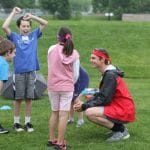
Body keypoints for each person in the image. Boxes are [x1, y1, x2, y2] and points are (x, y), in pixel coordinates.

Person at [74, 48, 136, 142]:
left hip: (124, 108)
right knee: (90, 109)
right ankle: (118, 128)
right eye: (91, 58)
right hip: (120, 106)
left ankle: (121, 130)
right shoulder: (108, 73)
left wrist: (85, 106)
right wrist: (85, 101)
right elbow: (101, 94)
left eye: (94, 58)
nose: (91, 60)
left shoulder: (110, 75)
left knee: (89, 113)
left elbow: (104, 99)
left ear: (102, 60)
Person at [2, 7, 48, 132]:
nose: (26, 28)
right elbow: (5, 27)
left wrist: (31, 16)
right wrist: (13, 12)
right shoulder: (15, 37)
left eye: (28, 26)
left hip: (32, 72)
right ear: (19, 27)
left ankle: (27, 122)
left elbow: (45, 23)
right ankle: (16, 123)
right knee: (18, 98)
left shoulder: (34, 35)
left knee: (29, 98)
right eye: (23, 26)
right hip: (19, 73)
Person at [47, 27, 80, 149]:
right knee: (63, 115)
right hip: (67, 87)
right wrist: (70, 83)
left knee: (54, 112)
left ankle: (51, 139)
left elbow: (50, 66)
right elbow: (76, 74)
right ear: (70, 37)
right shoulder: (74, 53)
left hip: (52, 85)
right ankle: (60, 143)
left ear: (58, 37)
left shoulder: (51, 49)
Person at [0, 36, 16, 134]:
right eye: (14, 53)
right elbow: (0, 82)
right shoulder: (4, 64)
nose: (14, 55)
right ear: (8, 52)